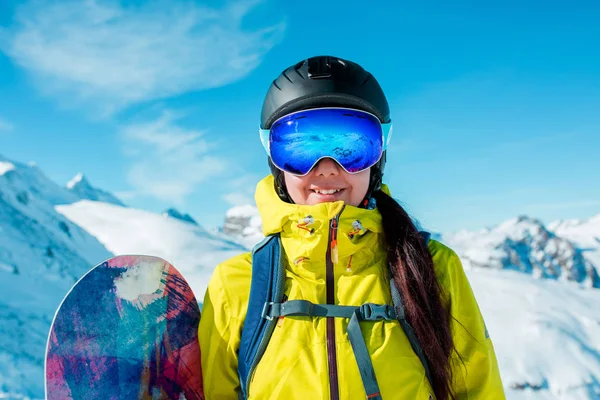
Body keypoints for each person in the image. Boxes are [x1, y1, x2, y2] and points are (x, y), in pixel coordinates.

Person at [199, 55, 505, 399]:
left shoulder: (432, 267)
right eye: (300, 147)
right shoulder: (237, 284)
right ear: (275, 162)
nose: (327, 168)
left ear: (378, 159)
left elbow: (478, 389)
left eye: (351, 147)